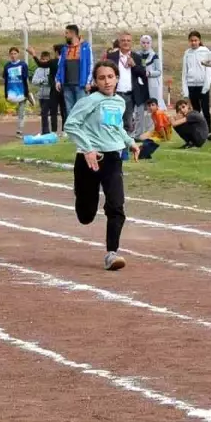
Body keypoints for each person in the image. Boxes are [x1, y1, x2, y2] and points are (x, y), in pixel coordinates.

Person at [63, 60, 140, 272]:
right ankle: (84, 199)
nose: (107, 81)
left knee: (116, 206)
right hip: (88, 160)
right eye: (102, 78)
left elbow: (115, 128)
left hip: (113, 158)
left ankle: (112, 253)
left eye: (110, 77)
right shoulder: (90, 101)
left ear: (116, 78)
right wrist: (87, 148)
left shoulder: (119, 102)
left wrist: (130, 142)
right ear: (96, 82)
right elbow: (71, 125)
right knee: (86, 215)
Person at [107, 32, 149, 134]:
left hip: (129, 95)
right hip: (113, 94)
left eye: (128, 40)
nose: (126, 42)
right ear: (119, 43)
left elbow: (144, 74)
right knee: (111, 123)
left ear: (131, 43)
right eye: (123, 40)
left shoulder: (138, 57)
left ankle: (124, 148)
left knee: (127, 124)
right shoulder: (111, 56)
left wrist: (134, 66)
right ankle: (110, 147)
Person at [55, 24, 92, 116]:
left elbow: (90, 65)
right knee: (69, 111)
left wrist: (89, 82)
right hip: (67, 85)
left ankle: (81, 130)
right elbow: (60, 65)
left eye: (67, 33)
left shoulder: (85, 47)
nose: (65, 35)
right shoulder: (65, 49)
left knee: (81, 110)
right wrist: (58, 80)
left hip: (80, 85)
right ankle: (71, 130)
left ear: (72, 33)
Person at [181, 31, 211, 135]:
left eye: (195, 40)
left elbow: (209, 70)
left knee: (205, 110)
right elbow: (184, 72)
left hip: (202, 85)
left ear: (199, 41)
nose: (194, 42)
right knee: (195, 111)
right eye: (191, 40)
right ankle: (199, 131)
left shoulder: (205, 51)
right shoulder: (187, 53)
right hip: (191, 86)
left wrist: (206, 86)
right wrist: (185, 90)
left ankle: (208, 132)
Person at [2, 46, 31, 138]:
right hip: (11, 92)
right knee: (11, 111)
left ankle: (19, 130)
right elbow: (5, 79)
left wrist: (27, 91)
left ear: (18, 54)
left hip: (22, 91)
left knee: (21, 111)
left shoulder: (23, 65)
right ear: (9, 55)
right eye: (11, 54)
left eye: (15, 53)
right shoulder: (7, 66)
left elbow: (26, 78)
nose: (13, 55)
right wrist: (6, 93)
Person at [30, 49, 58, 135]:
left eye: (47, 59)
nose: (45, 61)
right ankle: (45, 131)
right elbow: (34, 81)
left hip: (51, 94)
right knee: (44, 114)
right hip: (42, 95)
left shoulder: (52, 68)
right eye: (43, 59)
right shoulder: (38, 70)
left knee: (51, 113)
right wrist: (42, 81)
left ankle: (51, 131)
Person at [140, 35, 164, 106]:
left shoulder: (154, 56)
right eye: (143, 42)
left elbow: (159, 71)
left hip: (152, 83)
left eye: (148, 43)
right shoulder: (137, 55)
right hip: (141, 84)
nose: (145, 45)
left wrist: (150, 73)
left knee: (153, 104)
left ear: (150, 43)